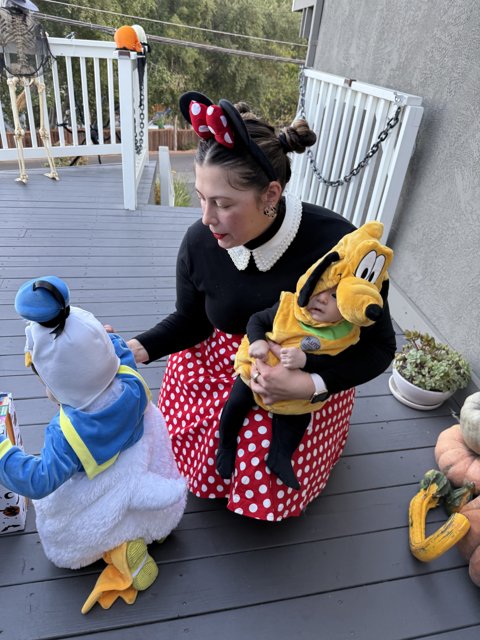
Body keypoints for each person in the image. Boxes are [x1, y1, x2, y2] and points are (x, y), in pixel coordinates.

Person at [126, 91, 397, 522]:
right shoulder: (201, 242)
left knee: (265, 466)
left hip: (310, 367)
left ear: (271, 194)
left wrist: (311, 386)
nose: (206, 218)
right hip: (221, 363)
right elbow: (191, 320)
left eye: (224, 204)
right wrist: (132, 350)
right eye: (201, 197)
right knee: (210, 444)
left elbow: (381, 348)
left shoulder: (338, 247)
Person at [0, 276, 187, 613]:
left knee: (63, 539)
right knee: (139, 502)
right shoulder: (127, 378)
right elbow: (115, 347)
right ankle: (151, 529)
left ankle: (116, 548)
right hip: (138, 461)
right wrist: (98, 339)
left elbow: (38, 481)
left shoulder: (68, 434)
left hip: (106, 484)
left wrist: (3, 452)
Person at [216, 221, 393, 489]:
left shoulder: (344, 333)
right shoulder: (288, 307)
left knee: (297, 419)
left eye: (334, 296)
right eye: (320, 288)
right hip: (257, 367)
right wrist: (259, 343)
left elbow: (334, 361)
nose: (321, 299)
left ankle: (280, 456)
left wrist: (307, 363)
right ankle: (226, 445)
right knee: (236, 403)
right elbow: (257, 320)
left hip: (301, 385)